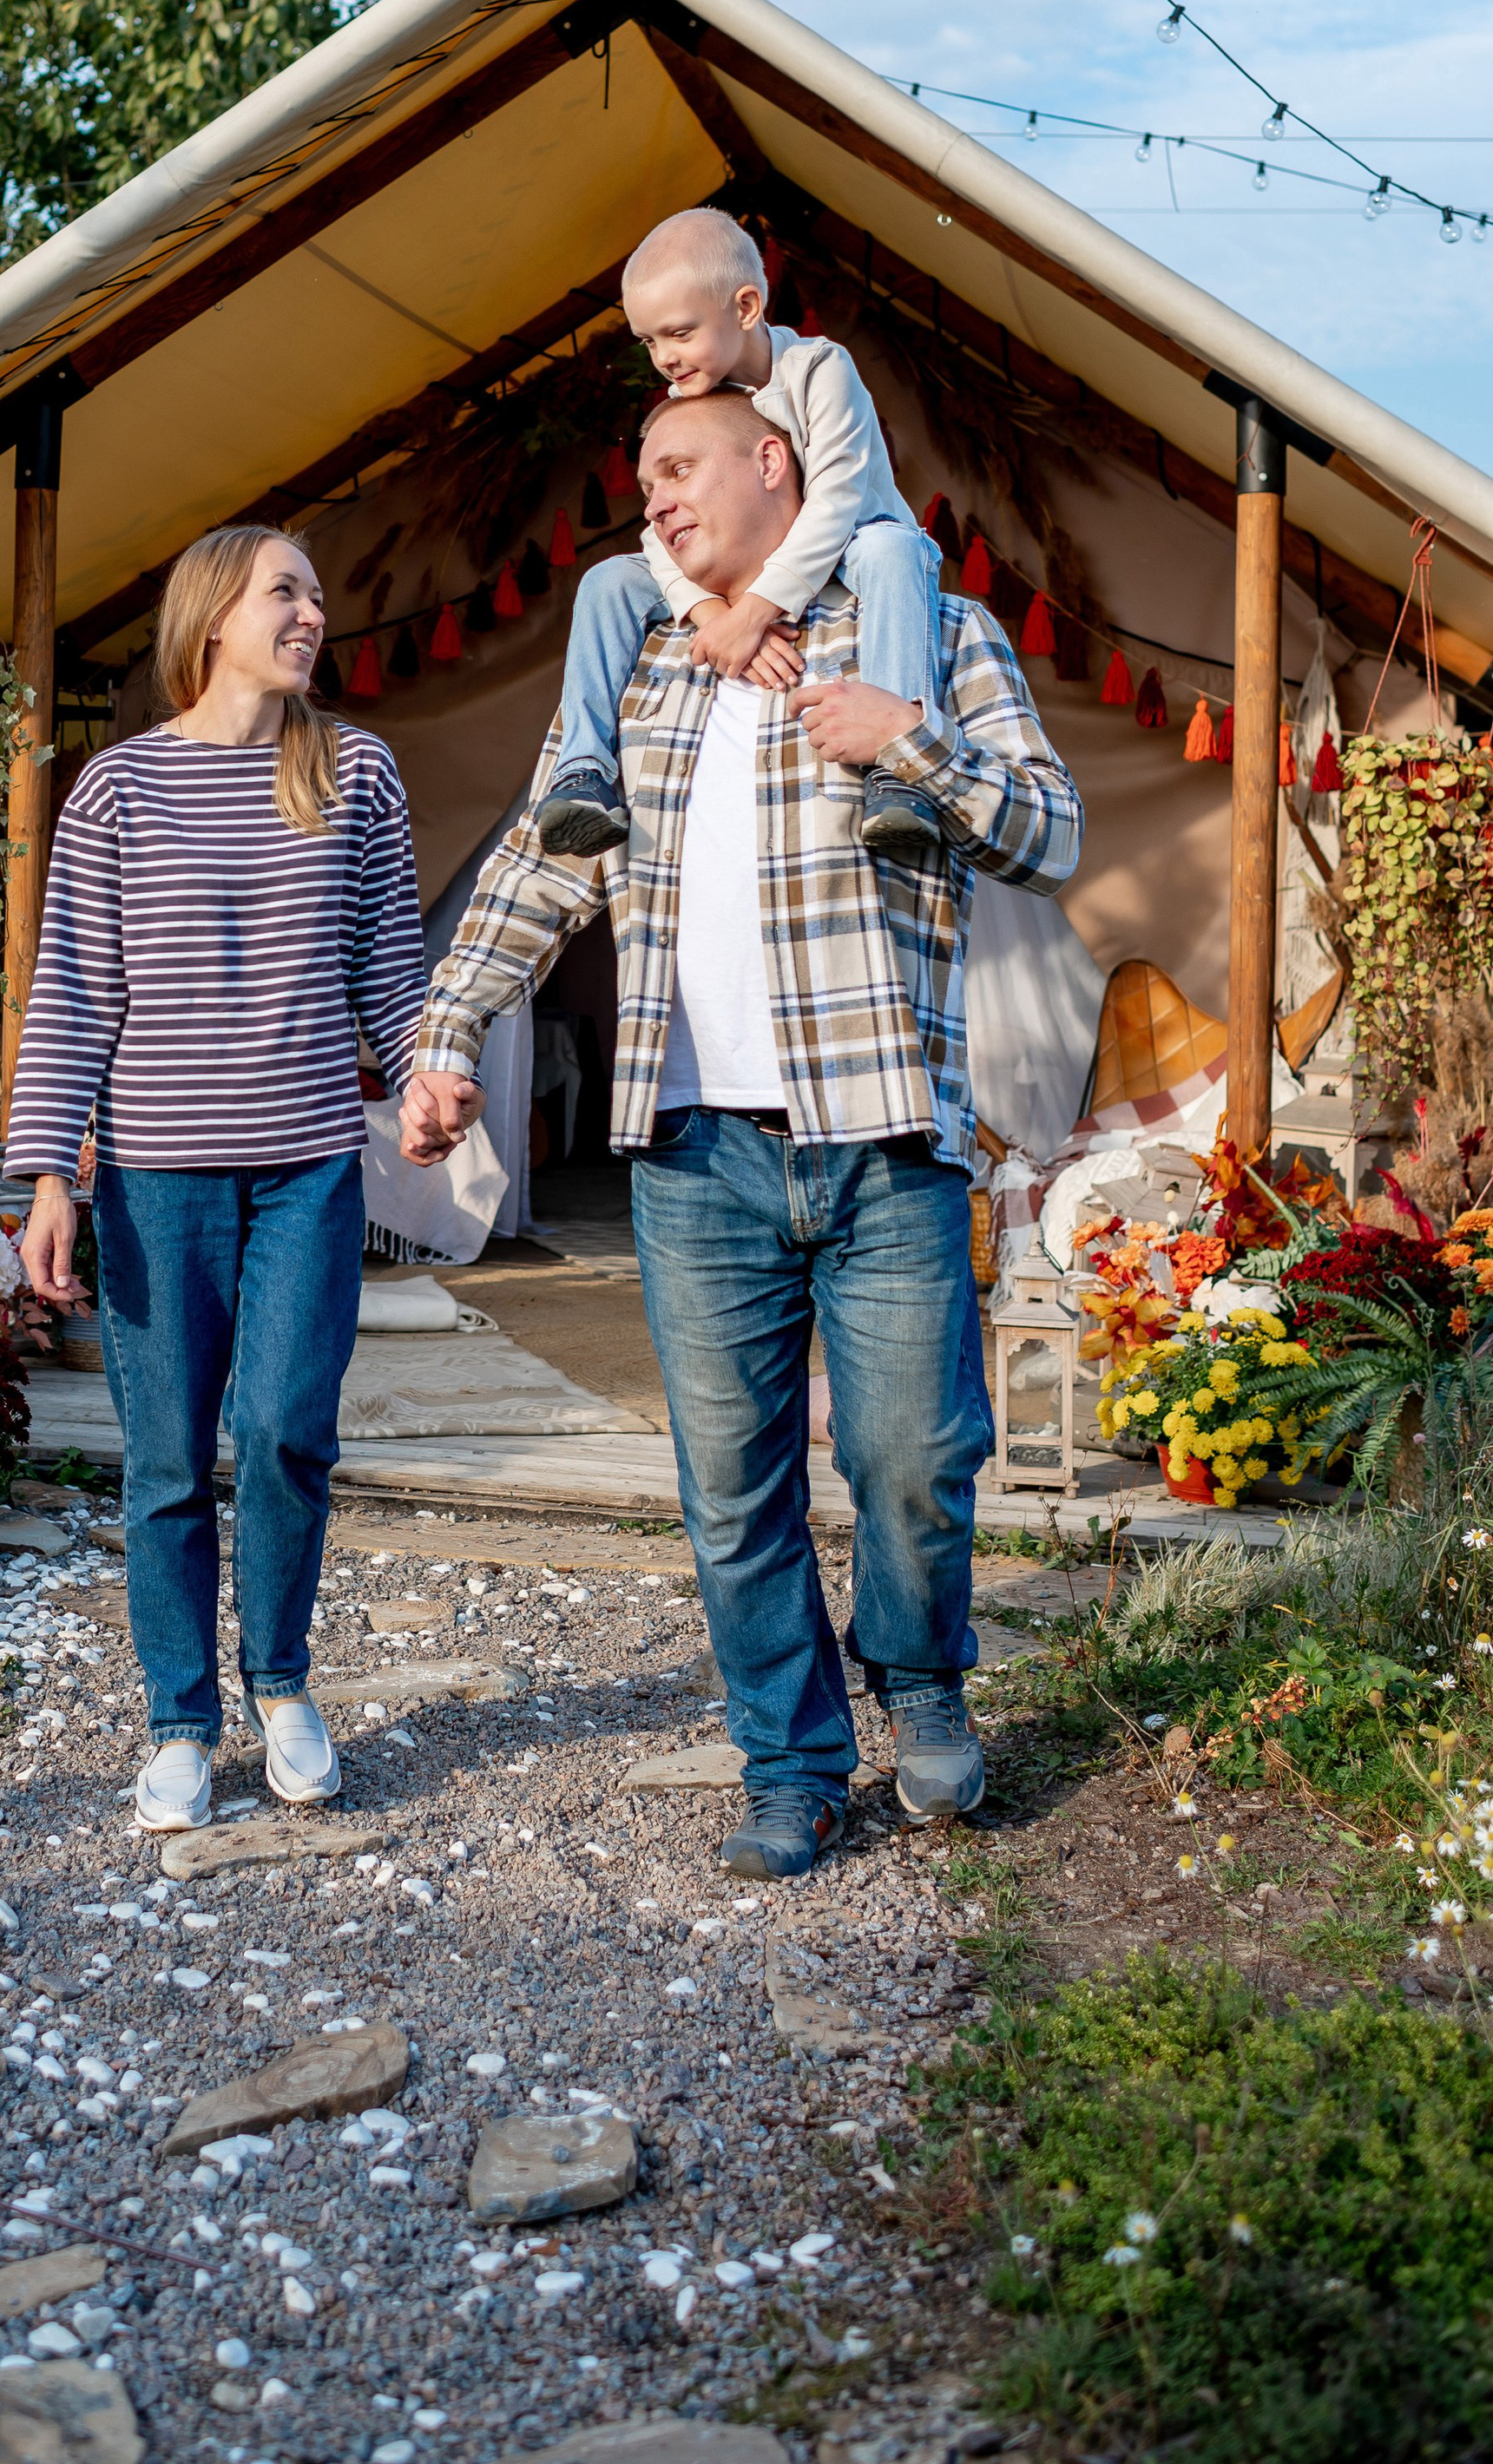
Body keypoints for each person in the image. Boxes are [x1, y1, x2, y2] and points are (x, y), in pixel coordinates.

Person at [402, 392, 1082, 1881]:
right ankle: (792, 1757)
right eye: (639, 474)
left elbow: (1051, 829)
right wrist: (449, 1030)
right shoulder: (639, 666)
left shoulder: (931, 630)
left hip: (888, 1131)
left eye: (677, 467)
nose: (650, 499)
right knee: (732, 1483)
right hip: (694, 1151)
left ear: (777, 462)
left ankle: (917, 1671)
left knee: (916, 1453)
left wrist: (913, 742)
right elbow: (538, 860)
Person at [10, 525, 426, 1833]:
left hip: (308, 1169)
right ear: (211, 619)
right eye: (286, 592)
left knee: (290, 1429)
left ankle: (284, 1683)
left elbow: (390, 969)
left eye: (317, 592)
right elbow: (74, 989)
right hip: (156, 1177)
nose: (313, 614)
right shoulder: (117, 791)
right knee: (170, 1461)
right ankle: (182, 1721)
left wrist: (428, 1075)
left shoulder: (357, 773)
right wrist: (47, 1174)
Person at [537, 207, 944, 864]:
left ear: (748, 306)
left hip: (854, 551)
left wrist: (756, 610)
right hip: (744, 591)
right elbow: (654, 536)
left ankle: (897, 773)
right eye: (649, 343)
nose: (665, 358)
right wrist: (714, 615)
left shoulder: (820, 370)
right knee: (608, 580)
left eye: (678, 333)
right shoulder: (691, 402)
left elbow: (837, 499)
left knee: (892, 547)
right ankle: (583, 772)